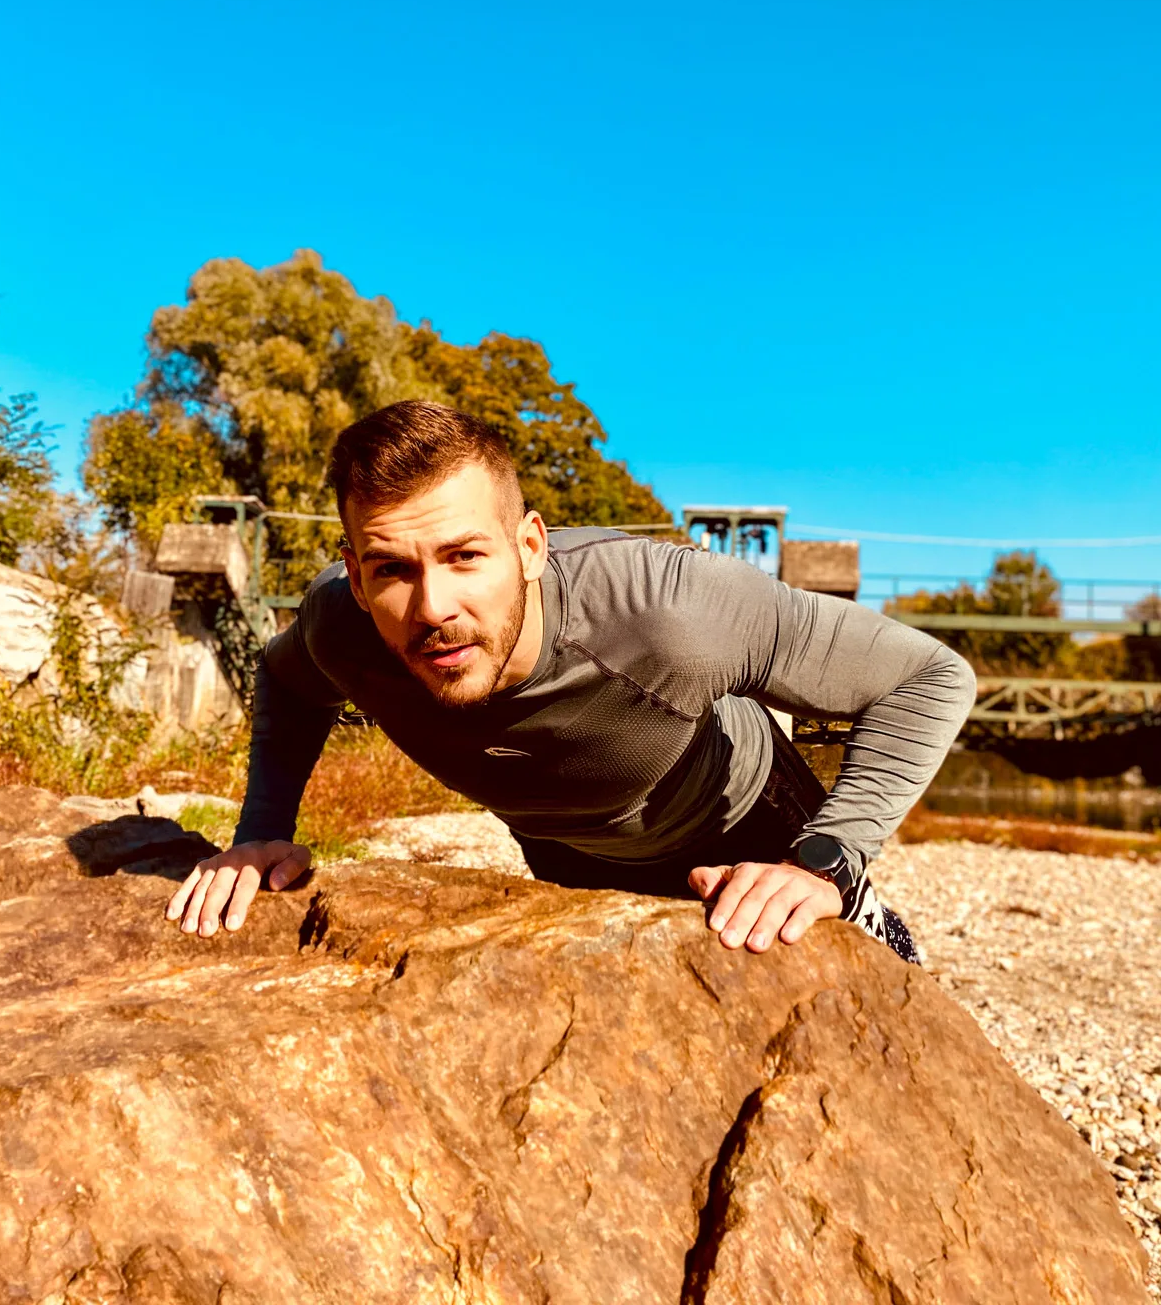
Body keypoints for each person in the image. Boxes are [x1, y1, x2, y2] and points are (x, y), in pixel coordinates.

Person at [165, 401, 975, 962]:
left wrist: (826, 862)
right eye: (390, 570)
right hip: (564, 852)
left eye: (464, 556)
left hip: (747, 828)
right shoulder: (339, 626)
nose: (432, 608)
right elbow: (287, 683)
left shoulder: (671, 609)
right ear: (353, 572)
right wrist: (260, 832)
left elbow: (928, 677)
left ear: (529, 547)